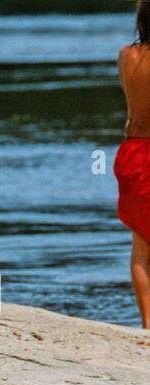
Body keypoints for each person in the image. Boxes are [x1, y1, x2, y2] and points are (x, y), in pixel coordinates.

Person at [117, 1, 150, 329]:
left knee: (141, 244)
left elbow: (130, 97)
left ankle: (148, 325)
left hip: (132, 151)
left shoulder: (127, 55)